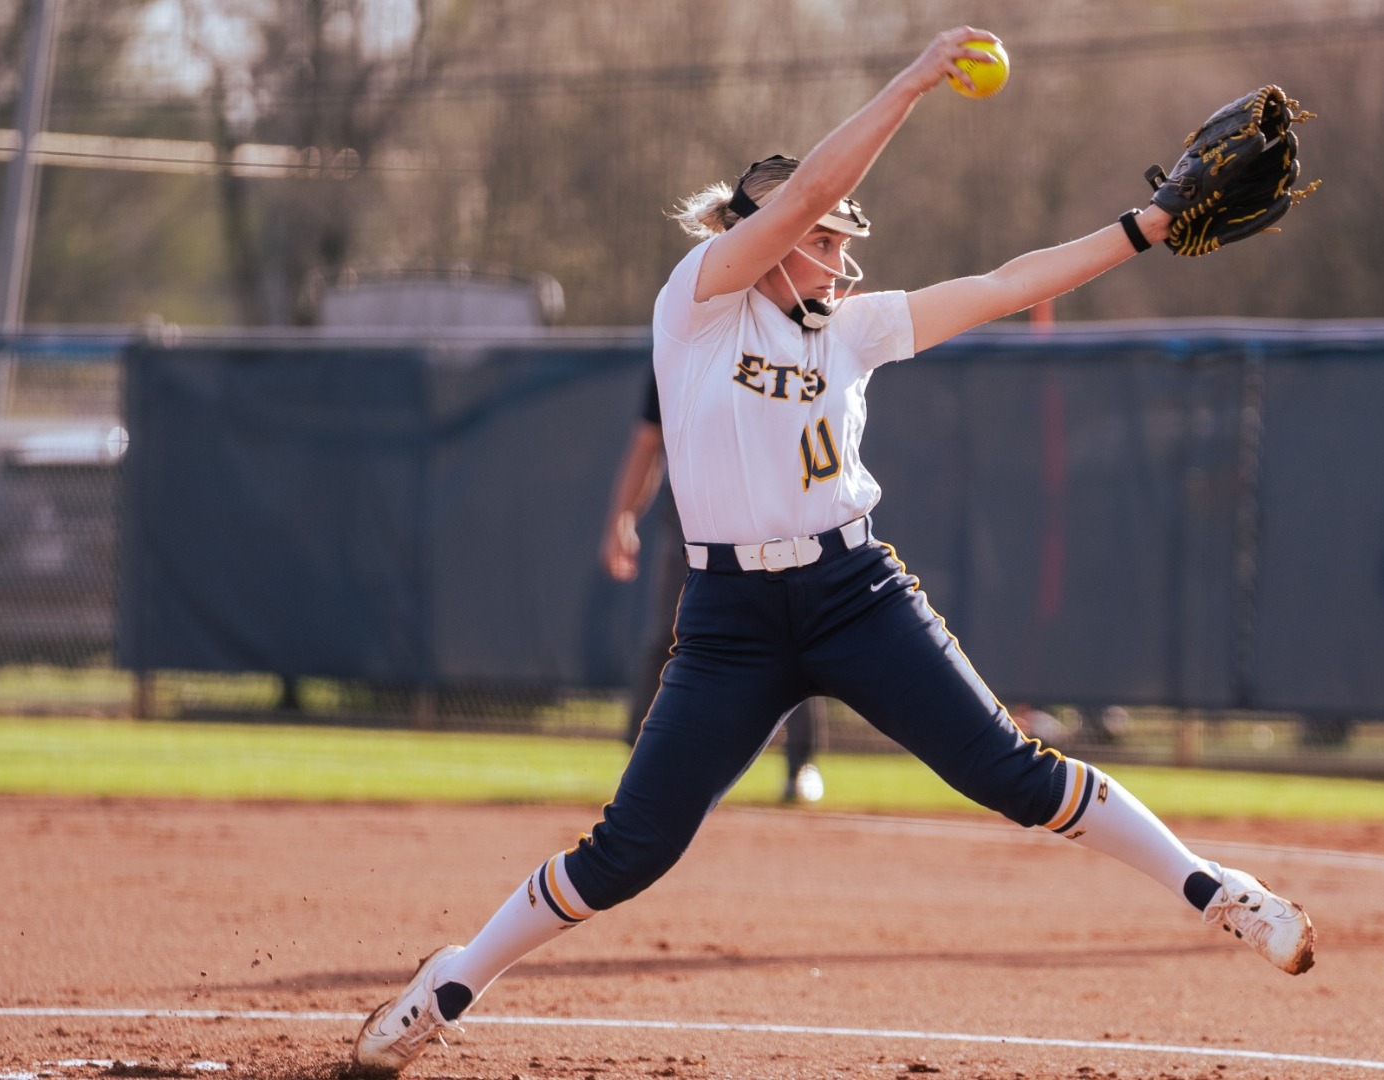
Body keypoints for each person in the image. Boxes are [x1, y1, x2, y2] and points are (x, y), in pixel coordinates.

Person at [355, 28, 1315, 1070]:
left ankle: (1221, 892)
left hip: (854, 591)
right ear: (763, 232)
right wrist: (909, 81)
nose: (843, 255)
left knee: (1013, 774)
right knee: (629, 851)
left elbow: (1004, 283)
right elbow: (808, 194)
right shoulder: (699, 307)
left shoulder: (846, 329)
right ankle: (451, 982)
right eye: (826, 240)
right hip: (729, 626)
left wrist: (1147, 225)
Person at [599, 373, 825, 803]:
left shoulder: (772, 345)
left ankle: (801, 766)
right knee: (667, 634)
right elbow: (648, 440)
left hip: (769, 518)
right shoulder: (680, 342)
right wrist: (622, 518)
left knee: (794, 632)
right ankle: (639, 766)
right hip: (690, 522)